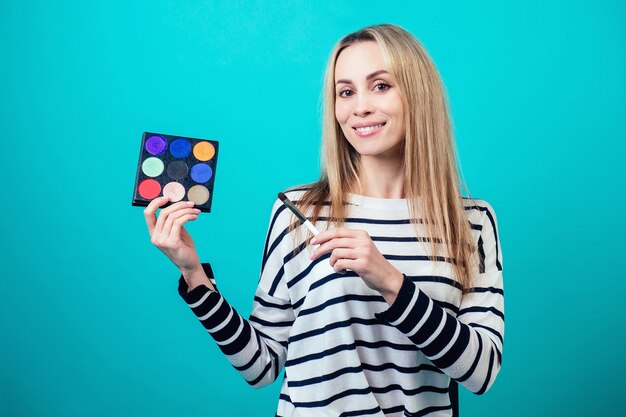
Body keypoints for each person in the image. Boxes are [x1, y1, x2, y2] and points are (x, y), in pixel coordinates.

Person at [143, 23, 504, 417]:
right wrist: (194, 274)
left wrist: (392, 283)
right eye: (346, 92)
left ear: (417, 94)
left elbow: (481, 372)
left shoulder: (471, 222)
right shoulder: (297, 212)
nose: (359, 107)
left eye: (381, 85)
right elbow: (262, 365)